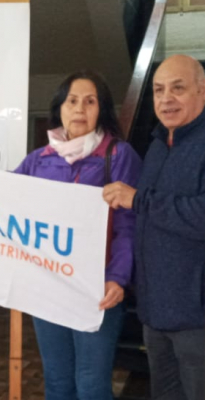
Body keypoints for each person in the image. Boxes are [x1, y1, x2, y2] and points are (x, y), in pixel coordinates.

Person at [0, 70, 142, 400]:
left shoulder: (118, 156)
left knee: (92, 385)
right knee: (57, 381)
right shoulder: (39, 160)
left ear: (101, 110)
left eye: (90, 101)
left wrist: (117, 277)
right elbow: (1, 198)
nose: (80, 109)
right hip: (48, 285)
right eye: (72, 101)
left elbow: (128, 225)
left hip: (96, 288)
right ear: (60, 108)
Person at [103, 54, 205, 400]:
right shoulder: (158, 144)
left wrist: (139, 200)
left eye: (178, 88)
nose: (166, 99)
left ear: (202, 91)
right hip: (155, 312)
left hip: (196, 318)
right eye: (159, 90)